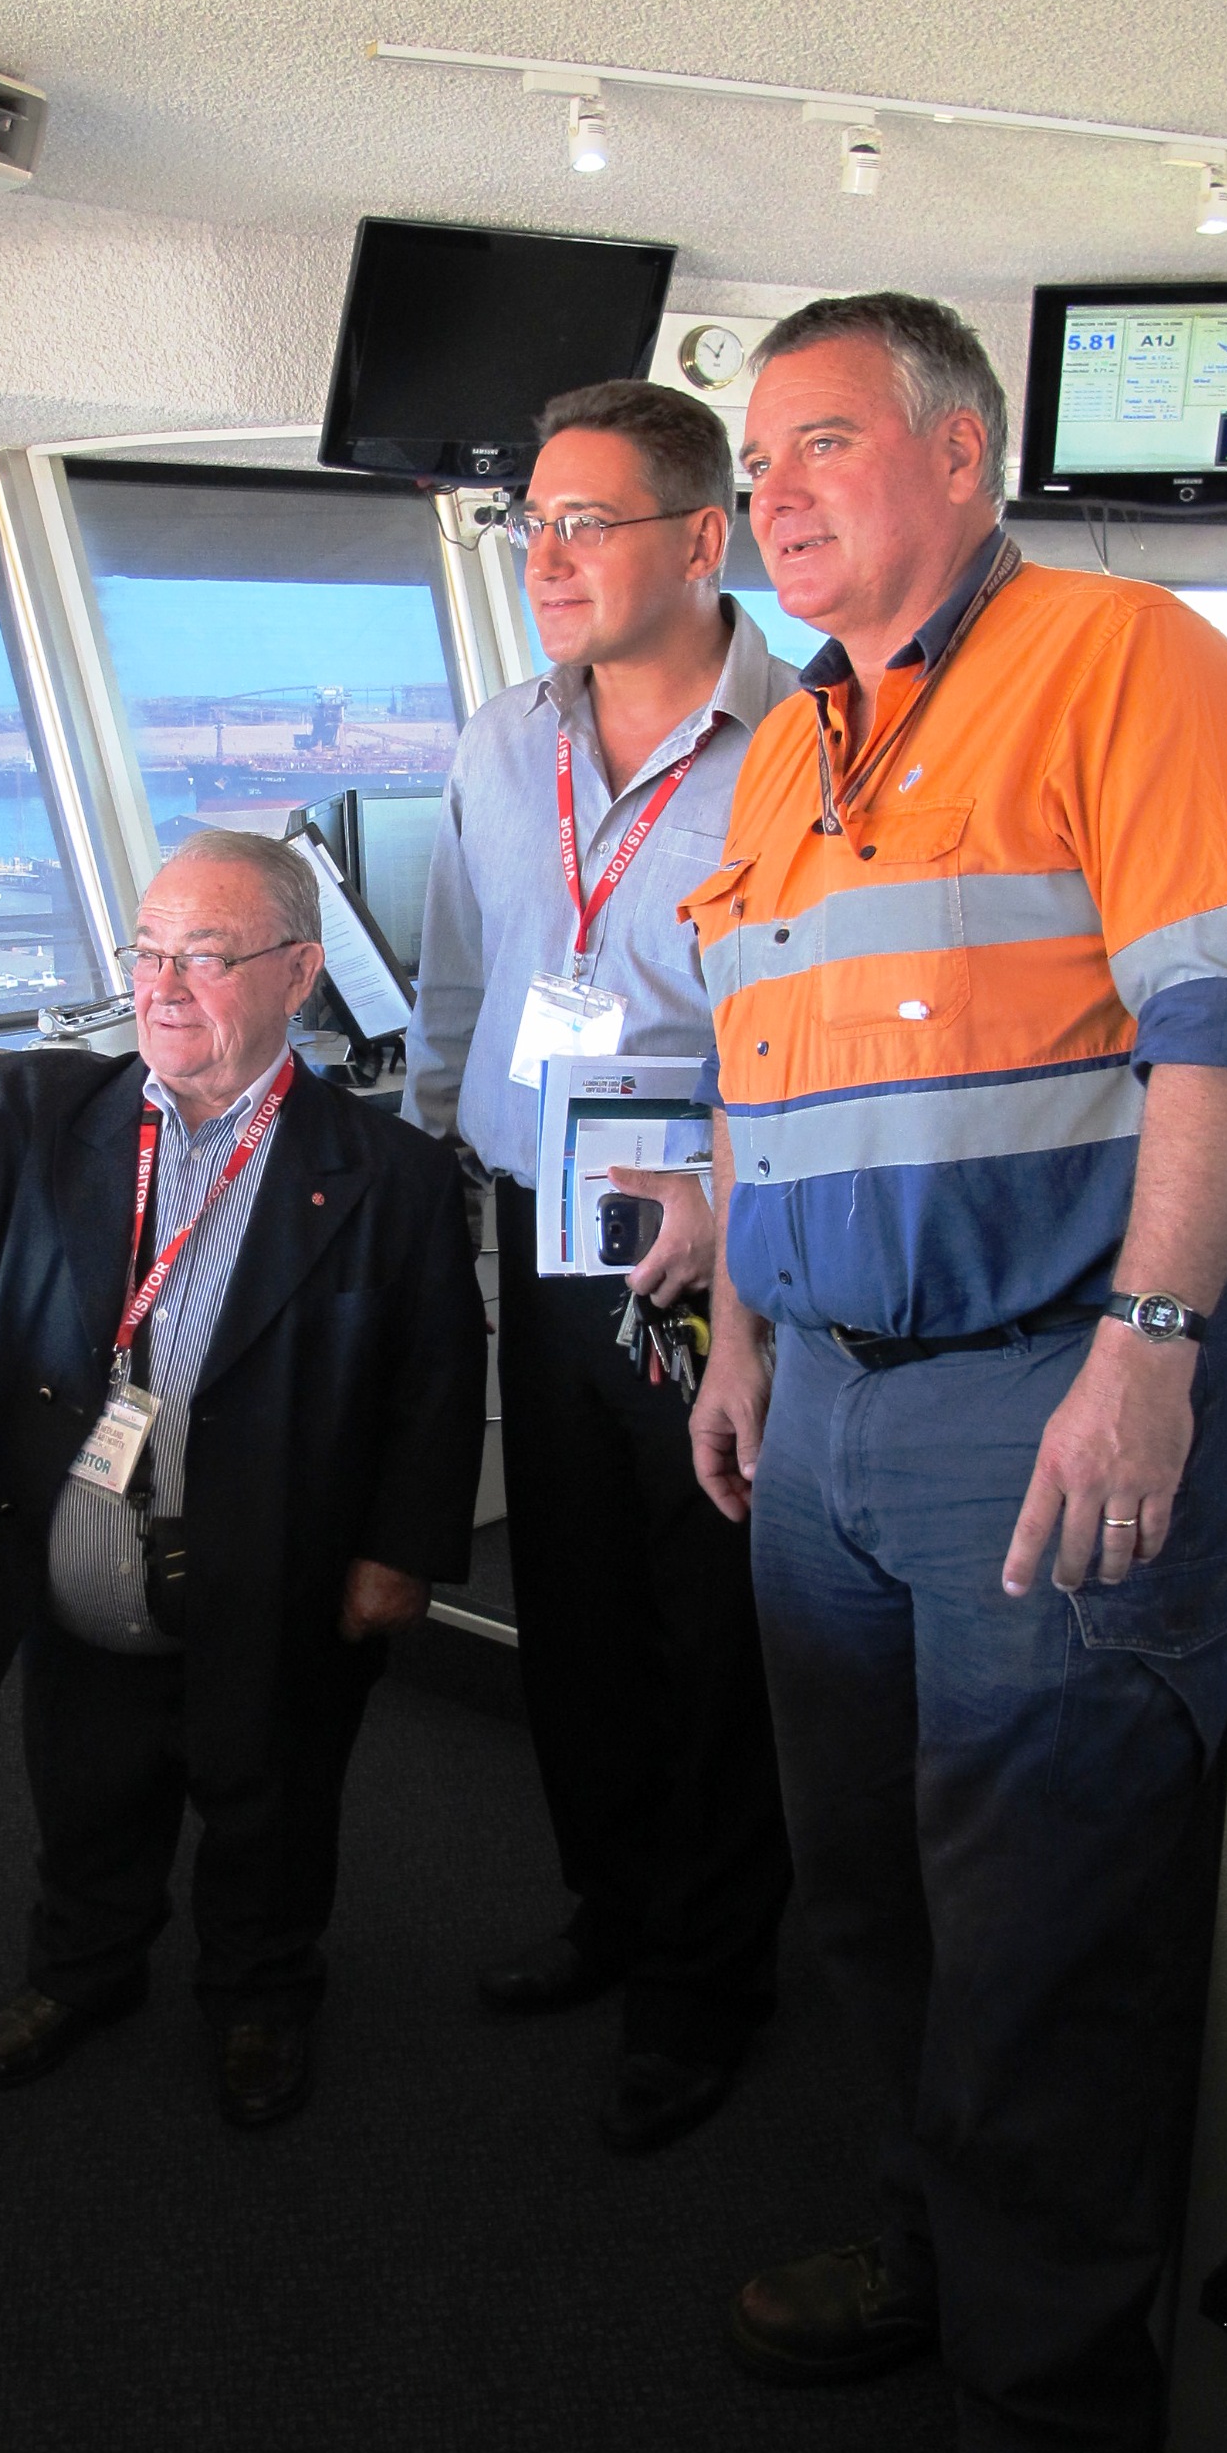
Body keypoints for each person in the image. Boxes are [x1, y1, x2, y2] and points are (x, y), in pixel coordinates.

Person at [684, 292, 1227, 2453]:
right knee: (872, 1897)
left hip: (1052, 1391)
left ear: (960, 453)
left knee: (1049, 1941)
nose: (772, 492)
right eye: (755, 459)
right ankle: (933, 2245)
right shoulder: (787, 744)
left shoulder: (1130, 661)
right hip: (827, 1417)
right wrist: (741, 1331)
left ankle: (1048, 2443)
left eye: (821, 440)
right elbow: (752, 1070)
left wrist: (1147, 1346)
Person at [0, 829, 487, 2129]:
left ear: (299, 973)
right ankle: (83, 1971)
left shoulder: (386, 1174)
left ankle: (260, 1995)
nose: (162, 987)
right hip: (80, 1554)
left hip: (273, 1565)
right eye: (147, 950)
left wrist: (399, 1550)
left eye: (205, 957)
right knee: (86, 1788)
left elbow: (434, 1375)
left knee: (270, 1798)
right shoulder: (48, 1110)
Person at [403, 378, 797, 2153]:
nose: (544, 558)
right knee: (570, 1595)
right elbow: (460, 978)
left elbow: (828, 1042)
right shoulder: (501, 740)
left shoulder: (803, 748)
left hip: (707, 1241)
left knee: (708, 1614)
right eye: (529, 523)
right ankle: (612, 1903)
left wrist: (731, 1212)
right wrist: (430, 1155)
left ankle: (707, 1973)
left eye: (586, 522)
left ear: (701, 539)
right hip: (529, 1218)